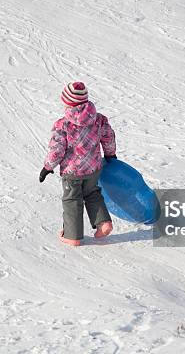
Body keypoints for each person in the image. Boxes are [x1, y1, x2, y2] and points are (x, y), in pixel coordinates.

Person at [39, 81, 116, 246]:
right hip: (93, 168)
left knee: (72, 199)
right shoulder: (99, 119)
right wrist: (110, 154)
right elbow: (108, 137)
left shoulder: (63, 125)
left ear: (67, 103)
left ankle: (72, 236)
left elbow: (57, 150)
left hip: (71, 172)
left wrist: (48, 167)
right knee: (92, 194)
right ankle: (103, 223)